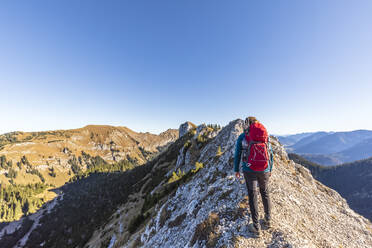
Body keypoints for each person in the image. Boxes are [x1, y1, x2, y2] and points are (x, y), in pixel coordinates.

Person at [234, 116, 273, 237]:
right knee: (265, 192)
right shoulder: (265, 134)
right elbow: (270, 153)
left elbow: (238, 153)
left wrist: (236, 169)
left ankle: (256, 227)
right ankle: (268, 220)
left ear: (247, 124)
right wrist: (270, 168)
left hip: (249, 169)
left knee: (253, 195)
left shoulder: (243, 136)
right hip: (264, 169)